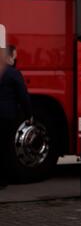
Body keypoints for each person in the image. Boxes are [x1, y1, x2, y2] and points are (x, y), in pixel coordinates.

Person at [0, 48, 33, 186]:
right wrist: (29, 114)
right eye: (14, 57)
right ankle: (3, 179)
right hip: (6, 115)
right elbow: (23, 96)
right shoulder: (13, 73)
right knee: (5, 147)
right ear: (9, 57)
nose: (15, 60)